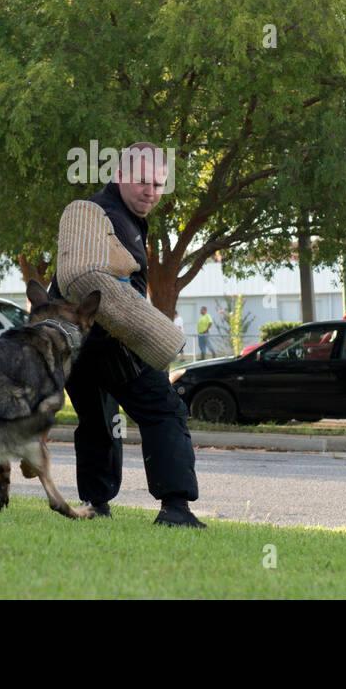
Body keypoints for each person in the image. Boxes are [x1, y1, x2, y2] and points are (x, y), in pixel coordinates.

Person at [49, 142, 205, 528]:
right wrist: (150, 331)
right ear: (119, 175)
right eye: (142, 181)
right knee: (164, 412)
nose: (151, 191)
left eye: (158, 184)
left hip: (76, 346)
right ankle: (176, 509)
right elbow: (81, 277)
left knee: (99, 420)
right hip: (110, 339)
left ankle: (95, 504)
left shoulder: (110, 214)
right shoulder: (100, 213)